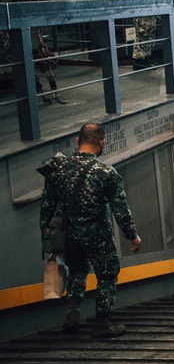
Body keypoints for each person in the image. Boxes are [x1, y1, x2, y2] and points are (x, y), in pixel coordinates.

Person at [38, 123, 142, 338]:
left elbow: (47, 207)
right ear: (102, 142)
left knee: (77, 271)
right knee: (107, 276)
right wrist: (132, 236)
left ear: (77, 141)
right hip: (98, 236)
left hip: (70, 236)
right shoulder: (106, 173)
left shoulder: (57, 170)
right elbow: (120, 209)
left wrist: (48, 239)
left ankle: (72, 316)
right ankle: (102, 323)